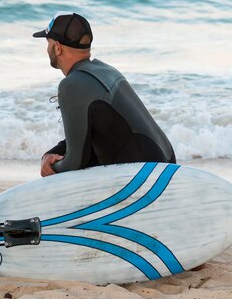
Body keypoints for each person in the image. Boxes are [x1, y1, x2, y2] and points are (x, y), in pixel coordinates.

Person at [33, 12, 176, 177]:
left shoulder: (72, 85)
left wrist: (52, 168)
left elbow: (75, 163)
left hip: (145, 177)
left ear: (57, 47)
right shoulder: (106, 71)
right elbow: (83, 137)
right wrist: (50, 154)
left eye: (48, 42)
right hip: (166, 165)